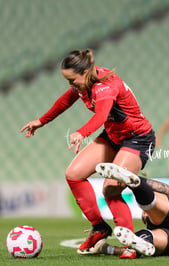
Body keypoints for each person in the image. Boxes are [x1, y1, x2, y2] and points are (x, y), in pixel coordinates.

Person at [21, 49, 156, 253]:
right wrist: (41, 121)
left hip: (138, 139)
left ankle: (130, 243)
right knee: (73, 174)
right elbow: (65, 101)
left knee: (111, 187)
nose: (71, 85)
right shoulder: (85, 83)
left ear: (84, 72)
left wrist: (81, 133)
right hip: (114, 136)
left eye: (72, 80)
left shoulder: (105, 86)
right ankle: (100, 228)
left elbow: (101, 116)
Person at [92, 163, 169, 259]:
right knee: (145, 239)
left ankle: (137, 184)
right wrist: (106, 248)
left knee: (153, 207)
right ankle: (136, 184)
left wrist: (105, 249)